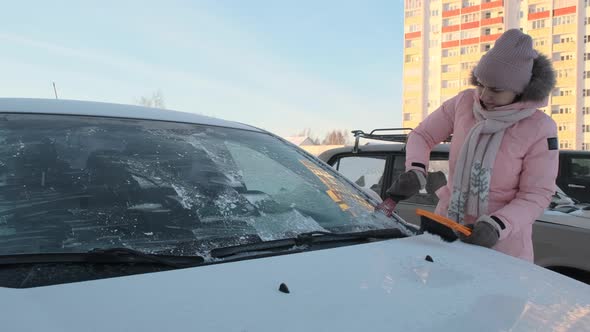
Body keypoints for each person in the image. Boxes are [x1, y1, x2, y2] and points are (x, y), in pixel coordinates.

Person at [388, 29, 558, 262]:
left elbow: (537, 194)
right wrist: (416, 168)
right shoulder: (464, 103)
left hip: (501, 246)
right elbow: (422, 135)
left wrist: (498, 225)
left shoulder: (539, 128)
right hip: (446, 234)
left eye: (496, 89)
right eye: (481, 84)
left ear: (521, 91)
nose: (485, 95)